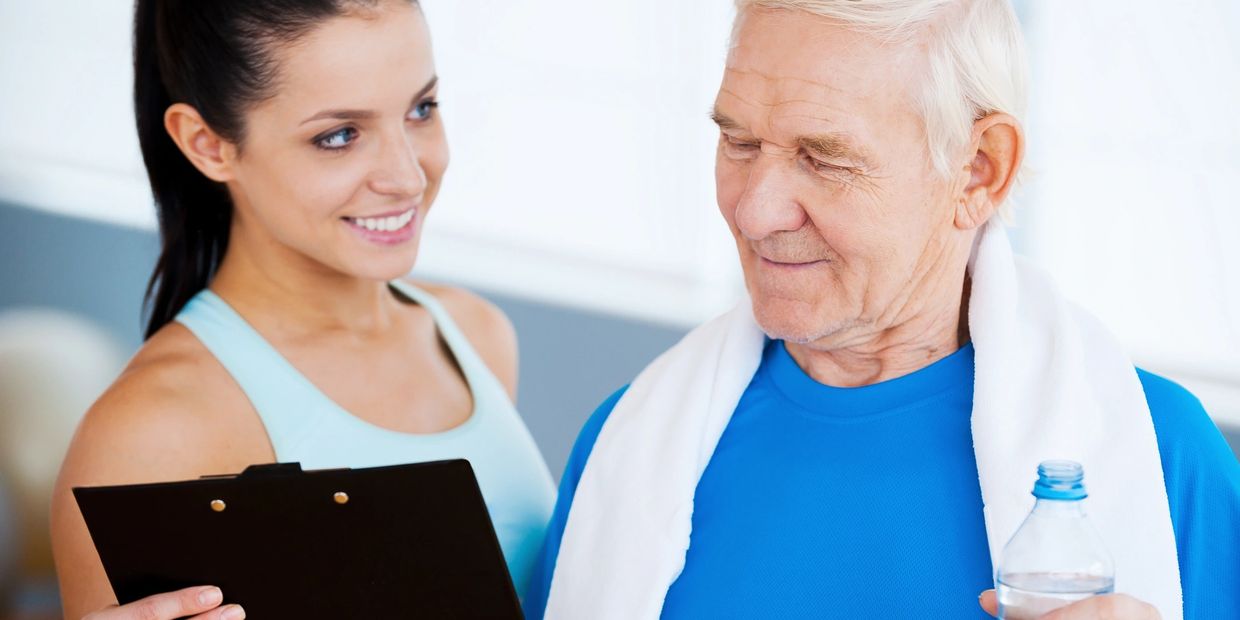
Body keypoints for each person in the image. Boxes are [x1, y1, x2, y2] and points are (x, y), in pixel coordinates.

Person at [525, 1, 1240, 619]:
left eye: (824, 159)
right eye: (739, 142)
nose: (754, 211)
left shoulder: (1165, 458)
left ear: (979, 169)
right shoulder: (626, 442)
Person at [50, 1, 555, 618]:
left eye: (421, 109)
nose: (407, 176)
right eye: (338, 136)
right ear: (208, 144)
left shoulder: (475, 334)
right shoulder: (153, 433)